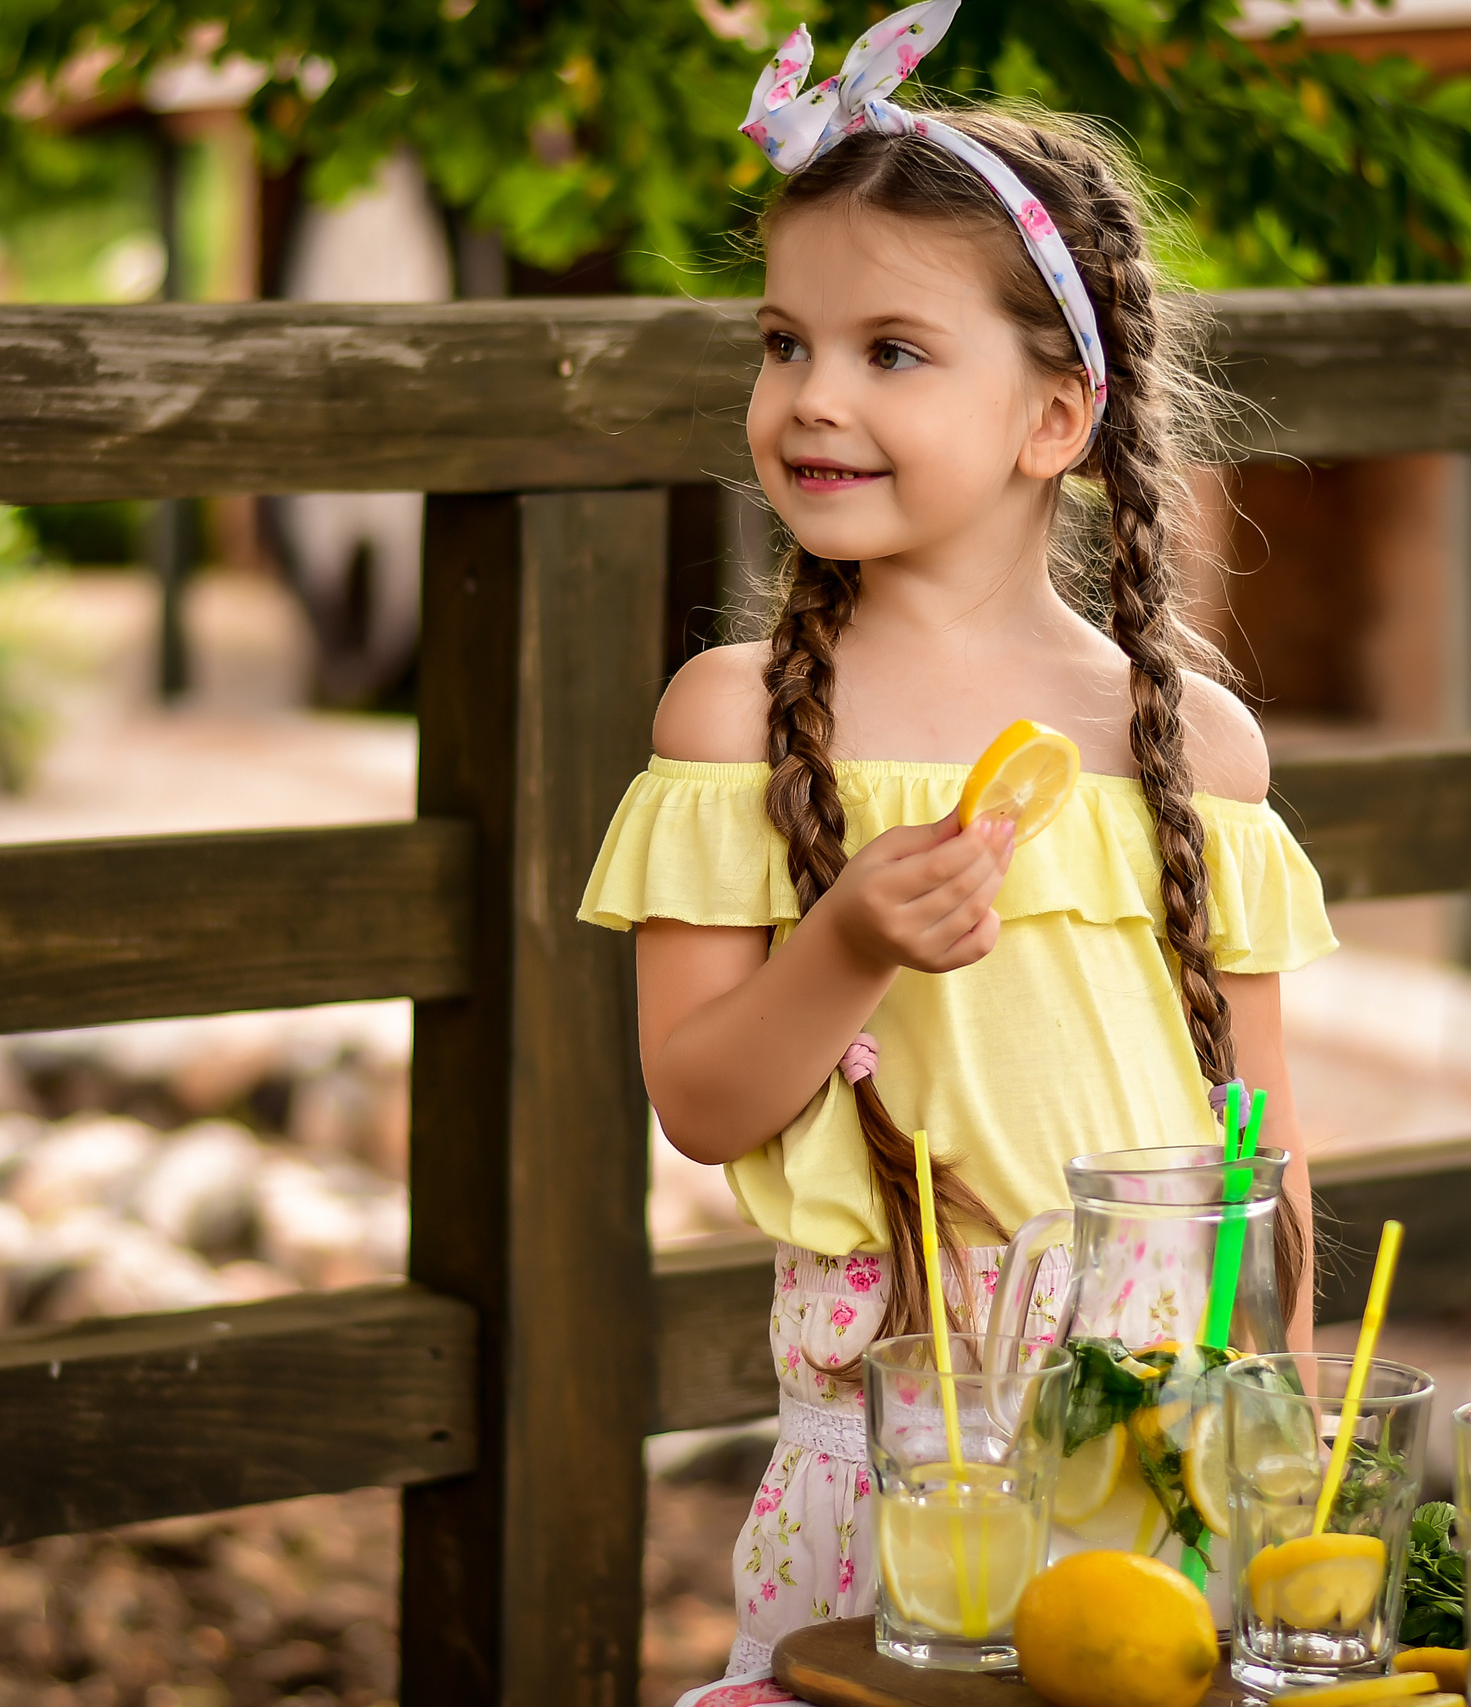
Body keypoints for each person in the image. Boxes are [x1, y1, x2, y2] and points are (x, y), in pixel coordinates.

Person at [576, 0, 1338, 1686]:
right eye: (785, 343)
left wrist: (1282, 1420)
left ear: (1055, 417)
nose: (811, 397)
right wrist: (844, 941)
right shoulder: (732, 721)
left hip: (1171, 1463)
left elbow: (1259, 1148)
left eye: (891, 352)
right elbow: (700, 1105)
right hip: (901, 1469)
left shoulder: (1193, 747)